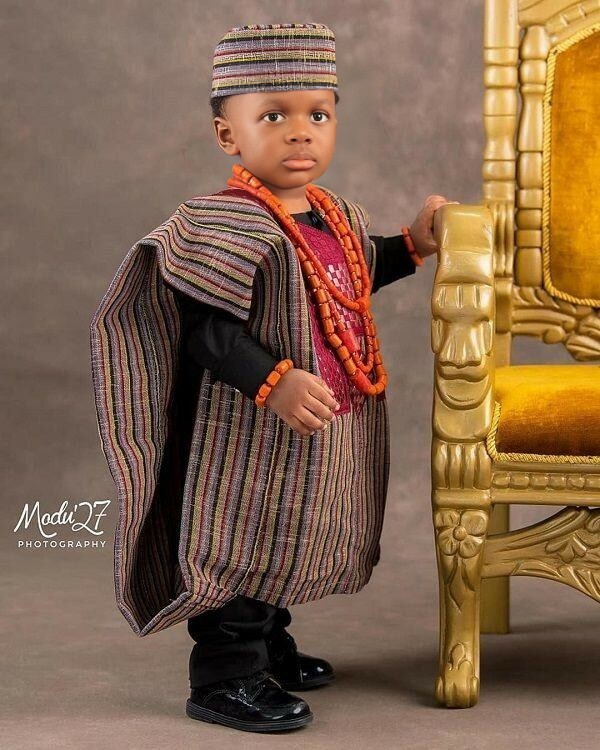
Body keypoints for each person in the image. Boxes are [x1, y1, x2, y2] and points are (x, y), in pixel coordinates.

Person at [90, 21, 457, 734]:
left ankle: (269, 647)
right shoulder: (223, 225)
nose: (299, 132)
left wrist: (412, 244)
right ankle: (226, 674)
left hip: (318, 425)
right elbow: (207, 331)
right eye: (273, 116)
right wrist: (274, 381)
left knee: (291, 534)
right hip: (247, 434)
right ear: (227, 134)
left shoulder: (334, 216)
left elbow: (350, 276)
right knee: (245, 539)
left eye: (317, 114)